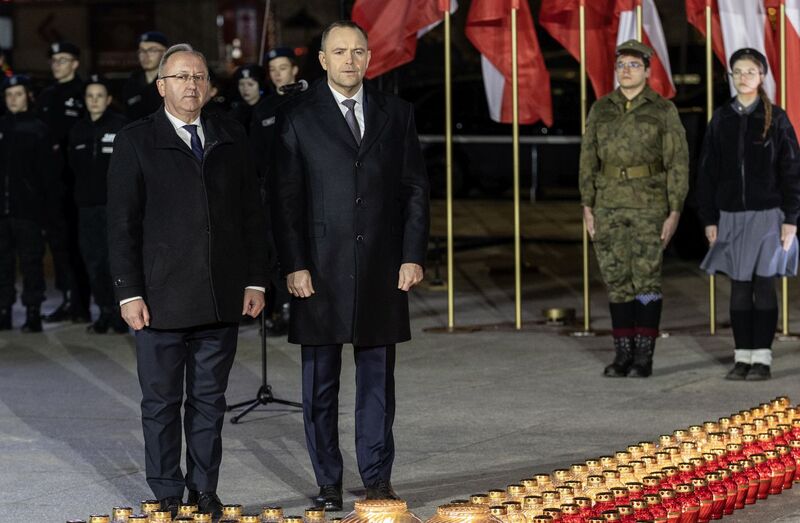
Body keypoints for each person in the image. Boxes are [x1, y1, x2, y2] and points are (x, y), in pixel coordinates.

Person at [272, 21, 430, 510]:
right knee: (320, 383)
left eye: (358, 51)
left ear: (369, 58)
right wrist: (294, 265)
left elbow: (415, 190)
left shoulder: (396, 114)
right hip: (319, 270)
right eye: (339, 52)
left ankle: (378, 479)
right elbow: (285, 199)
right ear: (322, 60)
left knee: (378, 380)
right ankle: (328, 483)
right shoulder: (297, 117)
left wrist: (411, 254)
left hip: (383, 266)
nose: (349, 60)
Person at [107, 44, 268, 517]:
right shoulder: (136, 140)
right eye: (180, 77)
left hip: (220, 297)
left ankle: (204, 489)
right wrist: (128, 292)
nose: (191, 85)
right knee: (160, 405)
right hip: (159, 300)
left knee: (208, 403)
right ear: (161, 86)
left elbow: (251, 215)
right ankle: (167, 494)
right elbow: (121, 224)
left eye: (198, 77)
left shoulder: (231, 134)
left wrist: (256, 280)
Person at [579, 40, 689, 378]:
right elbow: (588, 158)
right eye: (622, 65)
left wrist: (674, 210)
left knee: (647, 281)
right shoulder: (601, 108)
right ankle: (622, 353)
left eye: (634, 65)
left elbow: (678, 162)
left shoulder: (662, 110)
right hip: (608, 203)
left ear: (647, 70)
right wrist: (587, 204)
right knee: (616, 280)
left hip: (649, 204)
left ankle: (644, 355)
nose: (626, 71)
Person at [696, 48, 800, 381]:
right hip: (731, 216)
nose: (743, 78)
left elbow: (792, 171)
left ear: (762, 76)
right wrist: (709, 218)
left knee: (764, 286)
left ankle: (763, 359)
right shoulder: (721, 118)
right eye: (737, 72)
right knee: (739, 287)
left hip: (768, 217)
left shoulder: (777, 118)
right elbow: (706, 173)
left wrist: (791, 219)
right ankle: (742, 358)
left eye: (750, 72)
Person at [67, 74, 129, 334]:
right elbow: (72, 168)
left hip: (113, 209)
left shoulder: (121, 127)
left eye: (100, 96)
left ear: (109, 99)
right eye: (90, 96)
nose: (94, 101)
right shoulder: (77, 130)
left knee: (115, 262)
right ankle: (104, 311)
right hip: (87, 208)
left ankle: (120, 313)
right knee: (93, 261)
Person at [37, 41, 91, 324]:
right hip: (52, 183)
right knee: (58, 245)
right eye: (54, 60)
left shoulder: (84, 93)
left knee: (80, 245)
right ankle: (68, 298)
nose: (57, 65)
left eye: (63, 60)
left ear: (75, 64)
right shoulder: (46, 95)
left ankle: (83, 302)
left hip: (77, 181)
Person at [251, 47, 303, 337]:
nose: (278, 74)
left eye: (283, 68)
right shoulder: (265, 108)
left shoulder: (308, 102)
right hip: (273, 194)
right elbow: (256, 155)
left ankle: (304, 308)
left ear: (294, 69)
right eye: (273, 70)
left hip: (307, 194)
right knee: (276, 253)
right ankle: (283, 309)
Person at [0, 75, 59, 332]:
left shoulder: (39, 129)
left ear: (27, 96)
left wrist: (45, 212)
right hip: (1, 212)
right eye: (9, 95)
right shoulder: (0, 126)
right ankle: (4, 310)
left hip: (29, 212)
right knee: (2, 265)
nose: (13, 99)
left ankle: (33, 311)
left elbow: (48, 176)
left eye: (18, 94)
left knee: (31, 263)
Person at [123, 31, 168, 121]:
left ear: (165, 52)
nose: (145, 56)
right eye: (142, 51)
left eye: (152, 50)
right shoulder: (132, 82)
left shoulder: (171, 80)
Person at [227, 63, 265, 131]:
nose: (245, 89)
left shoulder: (268, 109)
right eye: (241, 84)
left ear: (260, 85)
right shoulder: (234, 114)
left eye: (250, 84)